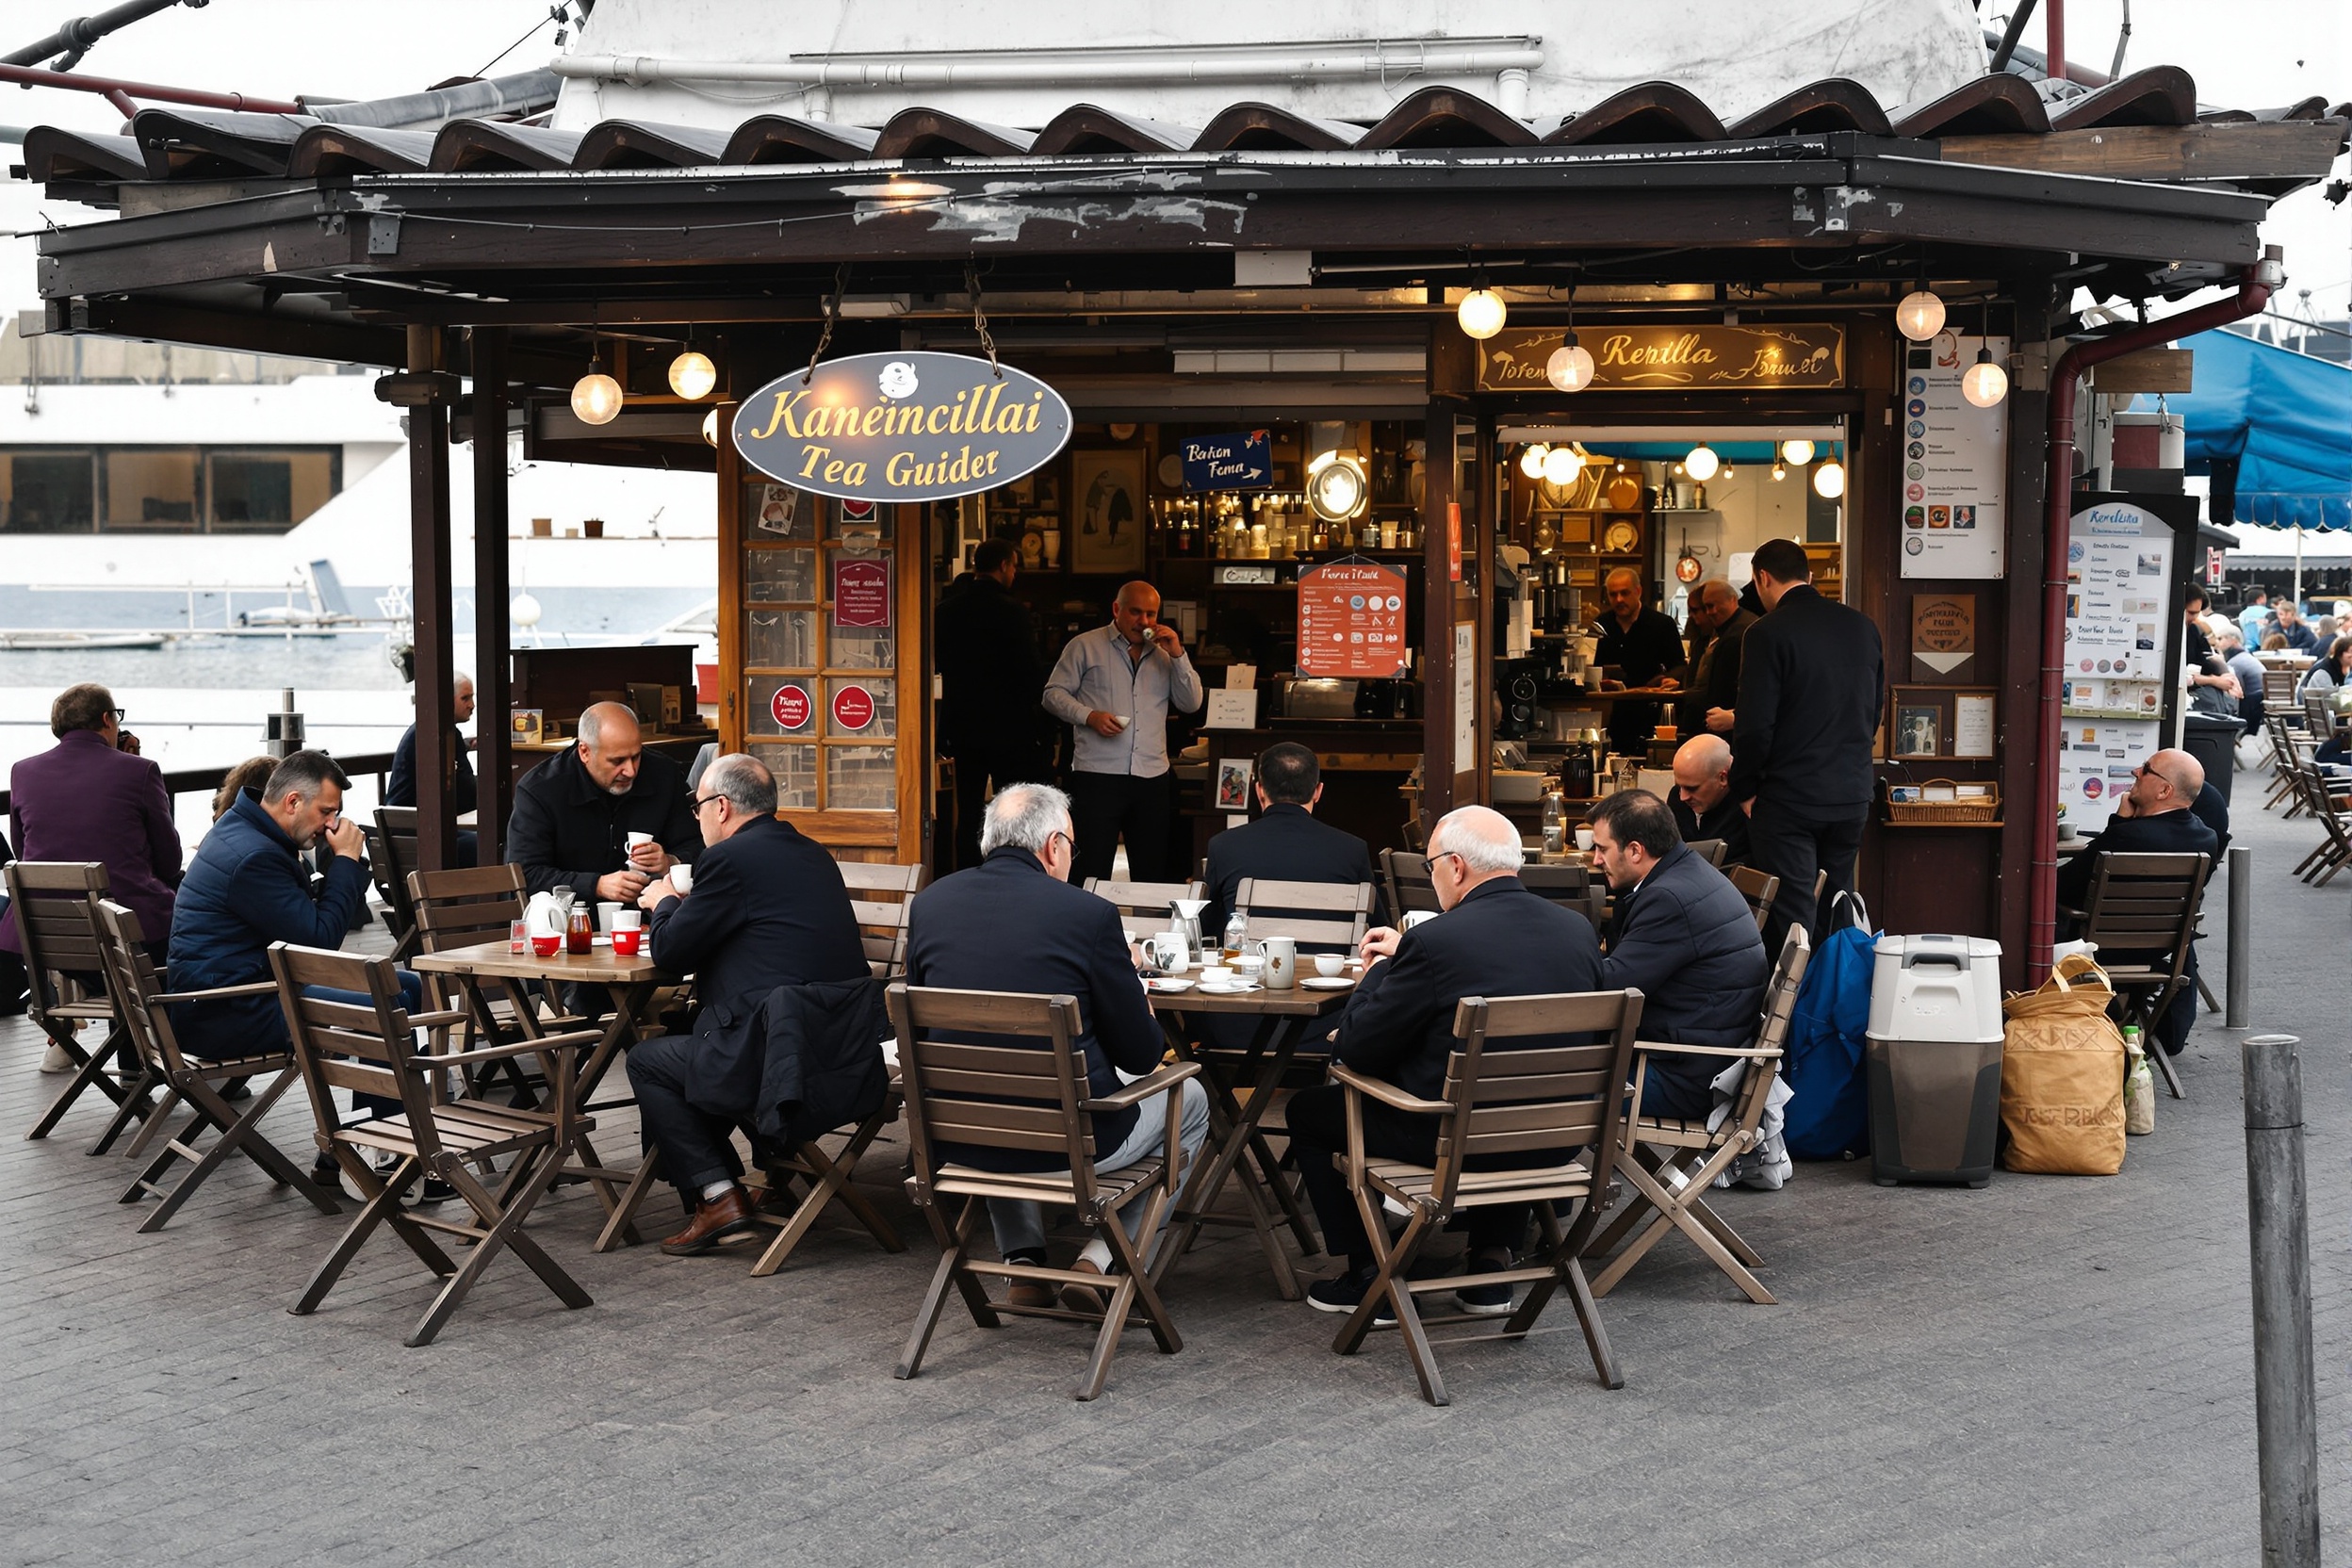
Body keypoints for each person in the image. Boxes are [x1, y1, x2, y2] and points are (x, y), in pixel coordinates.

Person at [1287, 805, 1605, 1319]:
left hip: (1452, 1142)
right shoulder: (1577, 932)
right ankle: (1491, 1267)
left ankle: (1370, 1275)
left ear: (1455, 866)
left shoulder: (1436, 941)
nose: (1430, 876)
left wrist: (1380, 971)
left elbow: (1358, 1048)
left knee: (1309, 1112)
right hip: (1558, 1137)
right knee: (1511, 1089)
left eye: (1429, 865)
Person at [904, 782, 1209, 1309]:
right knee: (1195, 1100)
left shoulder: (931, 905)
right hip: (1074, 1146)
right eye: (1072, 843)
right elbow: (1140, 1056)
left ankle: (1022, 1261)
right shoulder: (1087, 915)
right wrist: (1141, 1006)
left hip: (956, 1140)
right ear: (1052, 847)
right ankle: (1101, 1259)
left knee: (992, 1074)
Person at [623, 755, 874, 1255]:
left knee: (647, 1060)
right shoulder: (811, 852)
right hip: (839, 1050)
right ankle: (771, 1178)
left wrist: (665, 900)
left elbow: (671, 951)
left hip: (777, 1060)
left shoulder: (729, 860)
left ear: (721, 807)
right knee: (693, 1038)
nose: (696, 818)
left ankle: (717, 1196)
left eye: (696, 808)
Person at [167, 751, 426, 1193]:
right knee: (384, 999)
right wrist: (344, 860)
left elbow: (304, 936)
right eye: (326, 811)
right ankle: (375, 1149)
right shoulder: (254, 856)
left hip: (233, 996)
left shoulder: (241, 830)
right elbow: (318, 942)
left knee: (404, 984)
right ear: (291, 801)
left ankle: (367, 1143)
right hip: (228, 1013)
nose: (331, 824)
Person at [2, 684, 182, 1065]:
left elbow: (24, 854)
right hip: (130, 939)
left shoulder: (23, 772)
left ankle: (78, 996)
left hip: (49, 941)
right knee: (186, 954)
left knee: (123, 964)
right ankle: (161, 1069)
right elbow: (169, 860)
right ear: (107, 719)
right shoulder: (140, 770)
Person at [1730, 537, 1885, 949]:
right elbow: (1874, 713)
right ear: (1810, 576)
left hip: (1789, 799)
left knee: (1795, 920)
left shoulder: (1765, 633)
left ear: (1762, 578)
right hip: (1850, 795)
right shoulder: (1863, 627)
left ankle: (1799, 1011)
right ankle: (1838, 1003)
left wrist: (1744, 788)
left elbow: (1754, 725)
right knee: (1838, 907)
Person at [1586, 790, 1769, 1119]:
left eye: (1602, 849)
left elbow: (1612, 988)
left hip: (1681, 1077)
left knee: (1543, 1082)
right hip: (1708, 1059)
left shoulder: (1669, 899)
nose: (1596, 860)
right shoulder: (1688, 873)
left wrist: (1559, 961)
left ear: (1636, 850)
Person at [1040, 580, 1204, 883]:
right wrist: (1089, 716)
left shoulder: (1166, 655)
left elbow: (1191, 703)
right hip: (1097, 775)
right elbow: (1052, 695)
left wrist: (1179, 655)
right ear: (1116, 609)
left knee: (1151, 871)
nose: (1144, 622)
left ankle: (1150, 928)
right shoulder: (1085, 646)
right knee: (1090, 869)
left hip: (1151, 776)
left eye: (1151, 614)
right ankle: (1089, 929)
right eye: (1136, 612)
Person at [2055, 748, 2216, 1055]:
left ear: (2164, 790)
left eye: (2146, 769)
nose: (2135, 772)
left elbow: (2063, 888)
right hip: (2163, 953)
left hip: (2096, 952)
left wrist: (2119, 822)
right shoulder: (2206, 839)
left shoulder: (2127, 837)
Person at [506, 701, 698, 905]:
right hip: (569, 921)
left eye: (636, 756)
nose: (630, 771)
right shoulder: (541, 789)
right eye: (617, 761)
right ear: (584, 752)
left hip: (652, 916)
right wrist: (596, 885)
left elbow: (702, 844)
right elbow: (525, 875)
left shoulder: (663, 775)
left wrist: (671, 862)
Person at [936, 539, 1050, 871]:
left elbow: (941, 661)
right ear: (1003, 566)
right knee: (1007, 806)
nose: (1014, 573)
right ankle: (1004, 870)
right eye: (1013, 566)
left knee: (968, 807)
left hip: (963, 723)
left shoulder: (946, 611)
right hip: (1008, 726)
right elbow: (1030, 671)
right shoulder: (1012, 611)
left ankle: (966, 872)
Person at [1200, 742, 1375, 937]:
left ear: (1259, 790)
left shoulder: (1223, 846)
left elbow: (1208, 931)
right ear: (1318, 791)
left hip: (1252, 965)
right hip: (1328, 966)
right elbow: (1377, 932)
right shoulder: (1352, 850)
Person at [384, 670, 478, 866]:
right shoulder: (443, 735)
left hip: (402, 830)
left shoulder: (423, 730)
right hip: (416, 833)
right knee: (488, 842)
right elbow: (468, 792)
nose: (472, 705)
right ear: (445, 699)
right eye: (465, 698)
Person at [1592, 567, 1687, 753]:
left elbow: (1679, 665)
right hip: (1612, 714)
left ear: (1638, 591)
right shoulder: (1601, 625)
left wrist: (1667, 679)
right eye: (1613, 594)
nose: (1619, 600)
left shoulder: (1662, 624)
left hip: (1650, 712)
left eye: (1625, 593)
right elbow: (1593, 666)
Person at [1676, 580, 1756, 738]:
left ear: (1733, 600)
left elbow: (1722, 690)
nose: (1709, 612)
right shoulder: (1728, 630)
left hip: (1725, 724)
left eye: (1712, 606)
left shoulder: (1736, 635)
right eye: (1706, 607)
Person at [1668, 734, 1750, 864]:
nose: (1683, 797)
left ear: (1723, 778)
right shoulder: (1676, 800)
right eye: (1679, 786)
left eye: (1692, 788)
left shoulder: (1748, 807)